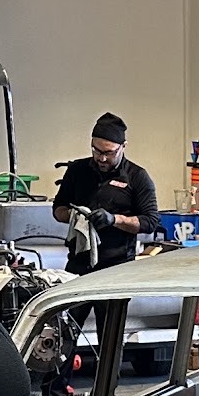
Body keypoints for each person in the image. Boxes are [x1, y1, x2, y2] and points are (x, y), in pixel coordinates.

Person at [52, 111, 160, 274]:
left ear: (123, 147)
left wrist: (114, 220)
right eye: (96, 151)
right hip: (77, 264)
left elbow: (150, 222)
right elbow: (58, 208)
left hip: (118, 268)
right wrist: (74, 216)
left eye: (109, 153)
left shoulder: (137, 176)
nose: (102, 158)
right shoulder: (77, 170)